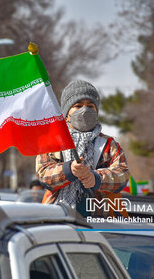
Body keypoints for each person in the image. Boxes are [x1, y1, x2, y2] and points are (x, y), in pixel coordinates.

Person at [36, 80, 129, 217]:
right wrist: (68, 170)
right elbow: (43, 174)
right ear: (67, 113)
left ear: (97, 111)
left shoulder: (108, 144)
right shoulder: (52, 143)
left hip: (101, 218)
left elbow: (122, 174)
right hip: (58, 217)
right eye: (78, 106)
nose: (85, 110)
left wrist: (96, 178)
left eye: (90, 106)